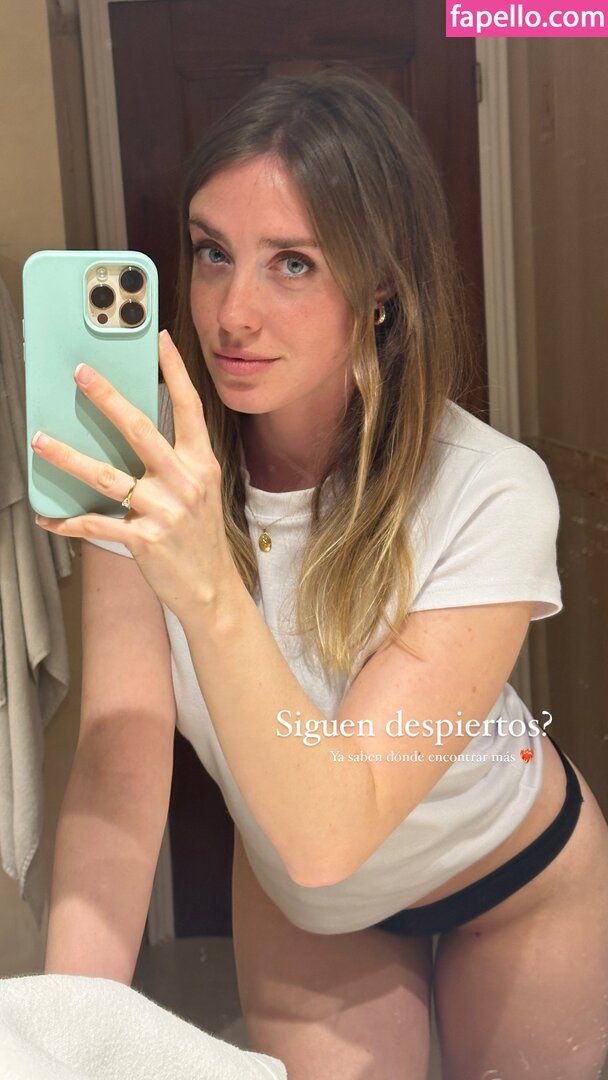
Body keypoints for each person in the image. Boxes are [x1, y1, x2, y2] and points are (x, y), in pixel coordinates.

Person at [35, 70, 608, 1079]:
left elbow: (337, 825)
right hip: (310, 909)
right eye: (212, 253)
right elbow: (121, 754)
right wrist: (65, 1035)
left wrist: (203, 580)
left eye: (292, 263)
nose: (231, 313)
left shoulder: (489, 488)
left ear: (381, 283)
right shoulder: (145, 470)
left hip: (511, 877)